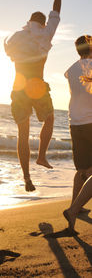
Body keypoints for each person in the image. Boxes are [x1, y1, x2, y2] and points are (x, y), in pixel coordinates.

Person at [4, 0, 64, 191]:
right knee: (49, 119)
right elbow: (56, 12)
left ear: (29, 21)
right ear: (42, 22)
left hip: (18, 87)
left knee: (23, 133)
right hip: (37, 86)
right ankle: (41, 156)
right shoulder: (45, 34)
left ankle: (26, 177)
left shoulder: (17, 38)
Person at [64, 35, 92, 212]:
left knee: (82, 169)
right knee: (90, 172)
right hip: (91, 121)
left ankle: (75, 205)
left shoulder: (71, 69)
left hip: (75, 122)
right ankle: (75, 208)